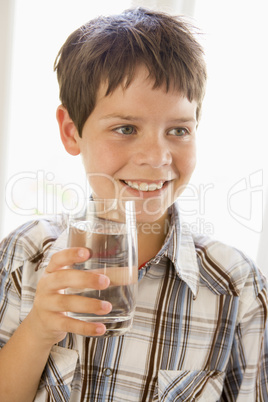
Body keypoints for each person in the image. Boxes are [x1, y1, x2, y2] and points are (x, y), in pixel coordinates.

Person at [0, 7, 267, 401]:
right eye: (126, 129)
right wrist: (39, 328)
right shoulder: (25, 255)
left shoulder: (237, 289)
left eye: (178, 130)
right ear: (72, 132)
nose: (156, 156)